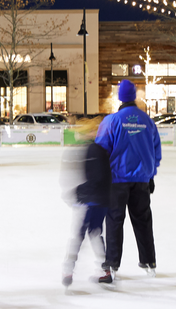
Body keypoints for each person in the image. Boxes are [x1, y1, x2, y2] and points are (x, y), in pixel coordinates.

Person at [95, 79, 160, 283]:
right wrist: (151, 175)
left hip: (117, 180)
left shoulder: (112, 121)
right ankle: (149, 262)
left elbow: (101, 150)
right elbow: (155, 150)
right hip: (141, 180)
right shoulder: (147, 121)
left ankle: (112, 265)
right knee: (143, 220)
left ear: (119, 97)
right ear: (134, 96)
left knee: (114, 221)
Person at [61, 117, 111, 288]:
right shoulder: (98, 150)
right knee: (95, 232)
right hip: (100, 200)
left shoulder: (92, 151)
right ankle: (104, 268)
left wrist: (77, 192)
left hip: (91, 200)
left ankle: (68, 269)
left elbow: (97, 178)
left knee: (80, 235)